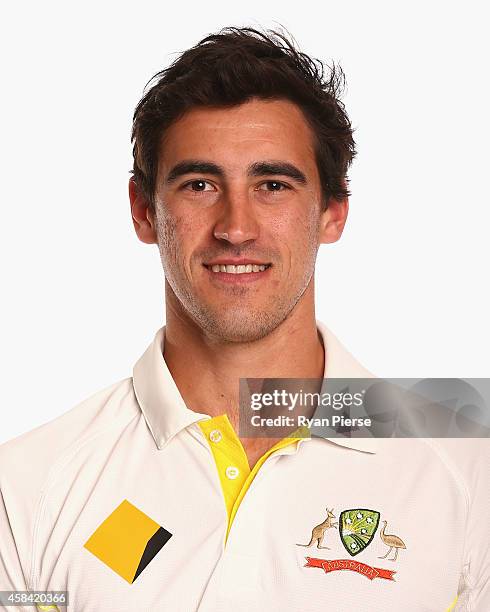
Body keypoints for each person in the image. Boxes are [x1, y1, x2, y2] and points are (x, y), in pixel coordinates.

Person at [0, 27, 487, 612]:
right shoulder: (28, 487)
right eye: (199, 184)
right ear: (143, 211)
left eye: (273, 185)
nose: (236, 227)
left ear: (332, 212)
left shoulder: (466, 470)